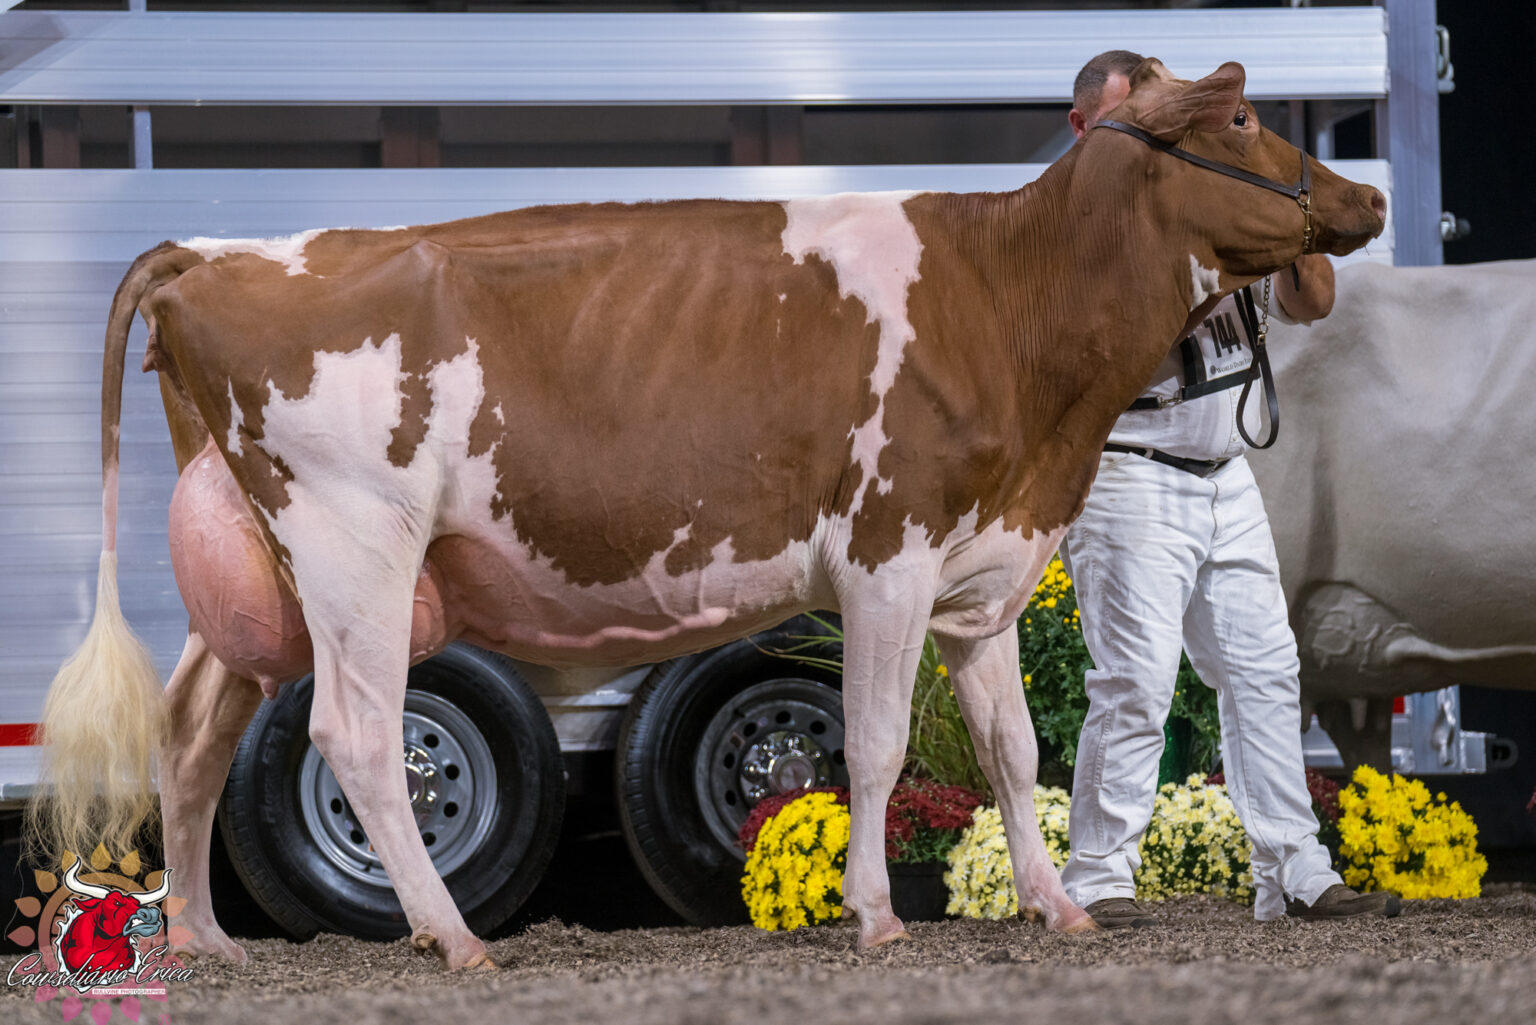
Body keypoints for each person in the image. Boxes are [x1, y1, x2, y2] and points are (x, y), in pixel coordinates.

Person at [1057, 50, 1401, 928]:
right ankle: (1097, 877)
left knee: (1267, 672)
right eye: (1130, 120)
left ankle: (1294, 871)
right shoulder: (1075, 214)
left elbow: (1313, 303)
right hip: (1130, 470)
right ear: (1084, 128)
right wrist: (1228, 240)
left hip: (1225, 472)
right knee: (1135, 683)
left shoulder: (1207, 191)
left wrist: (1288, 221)